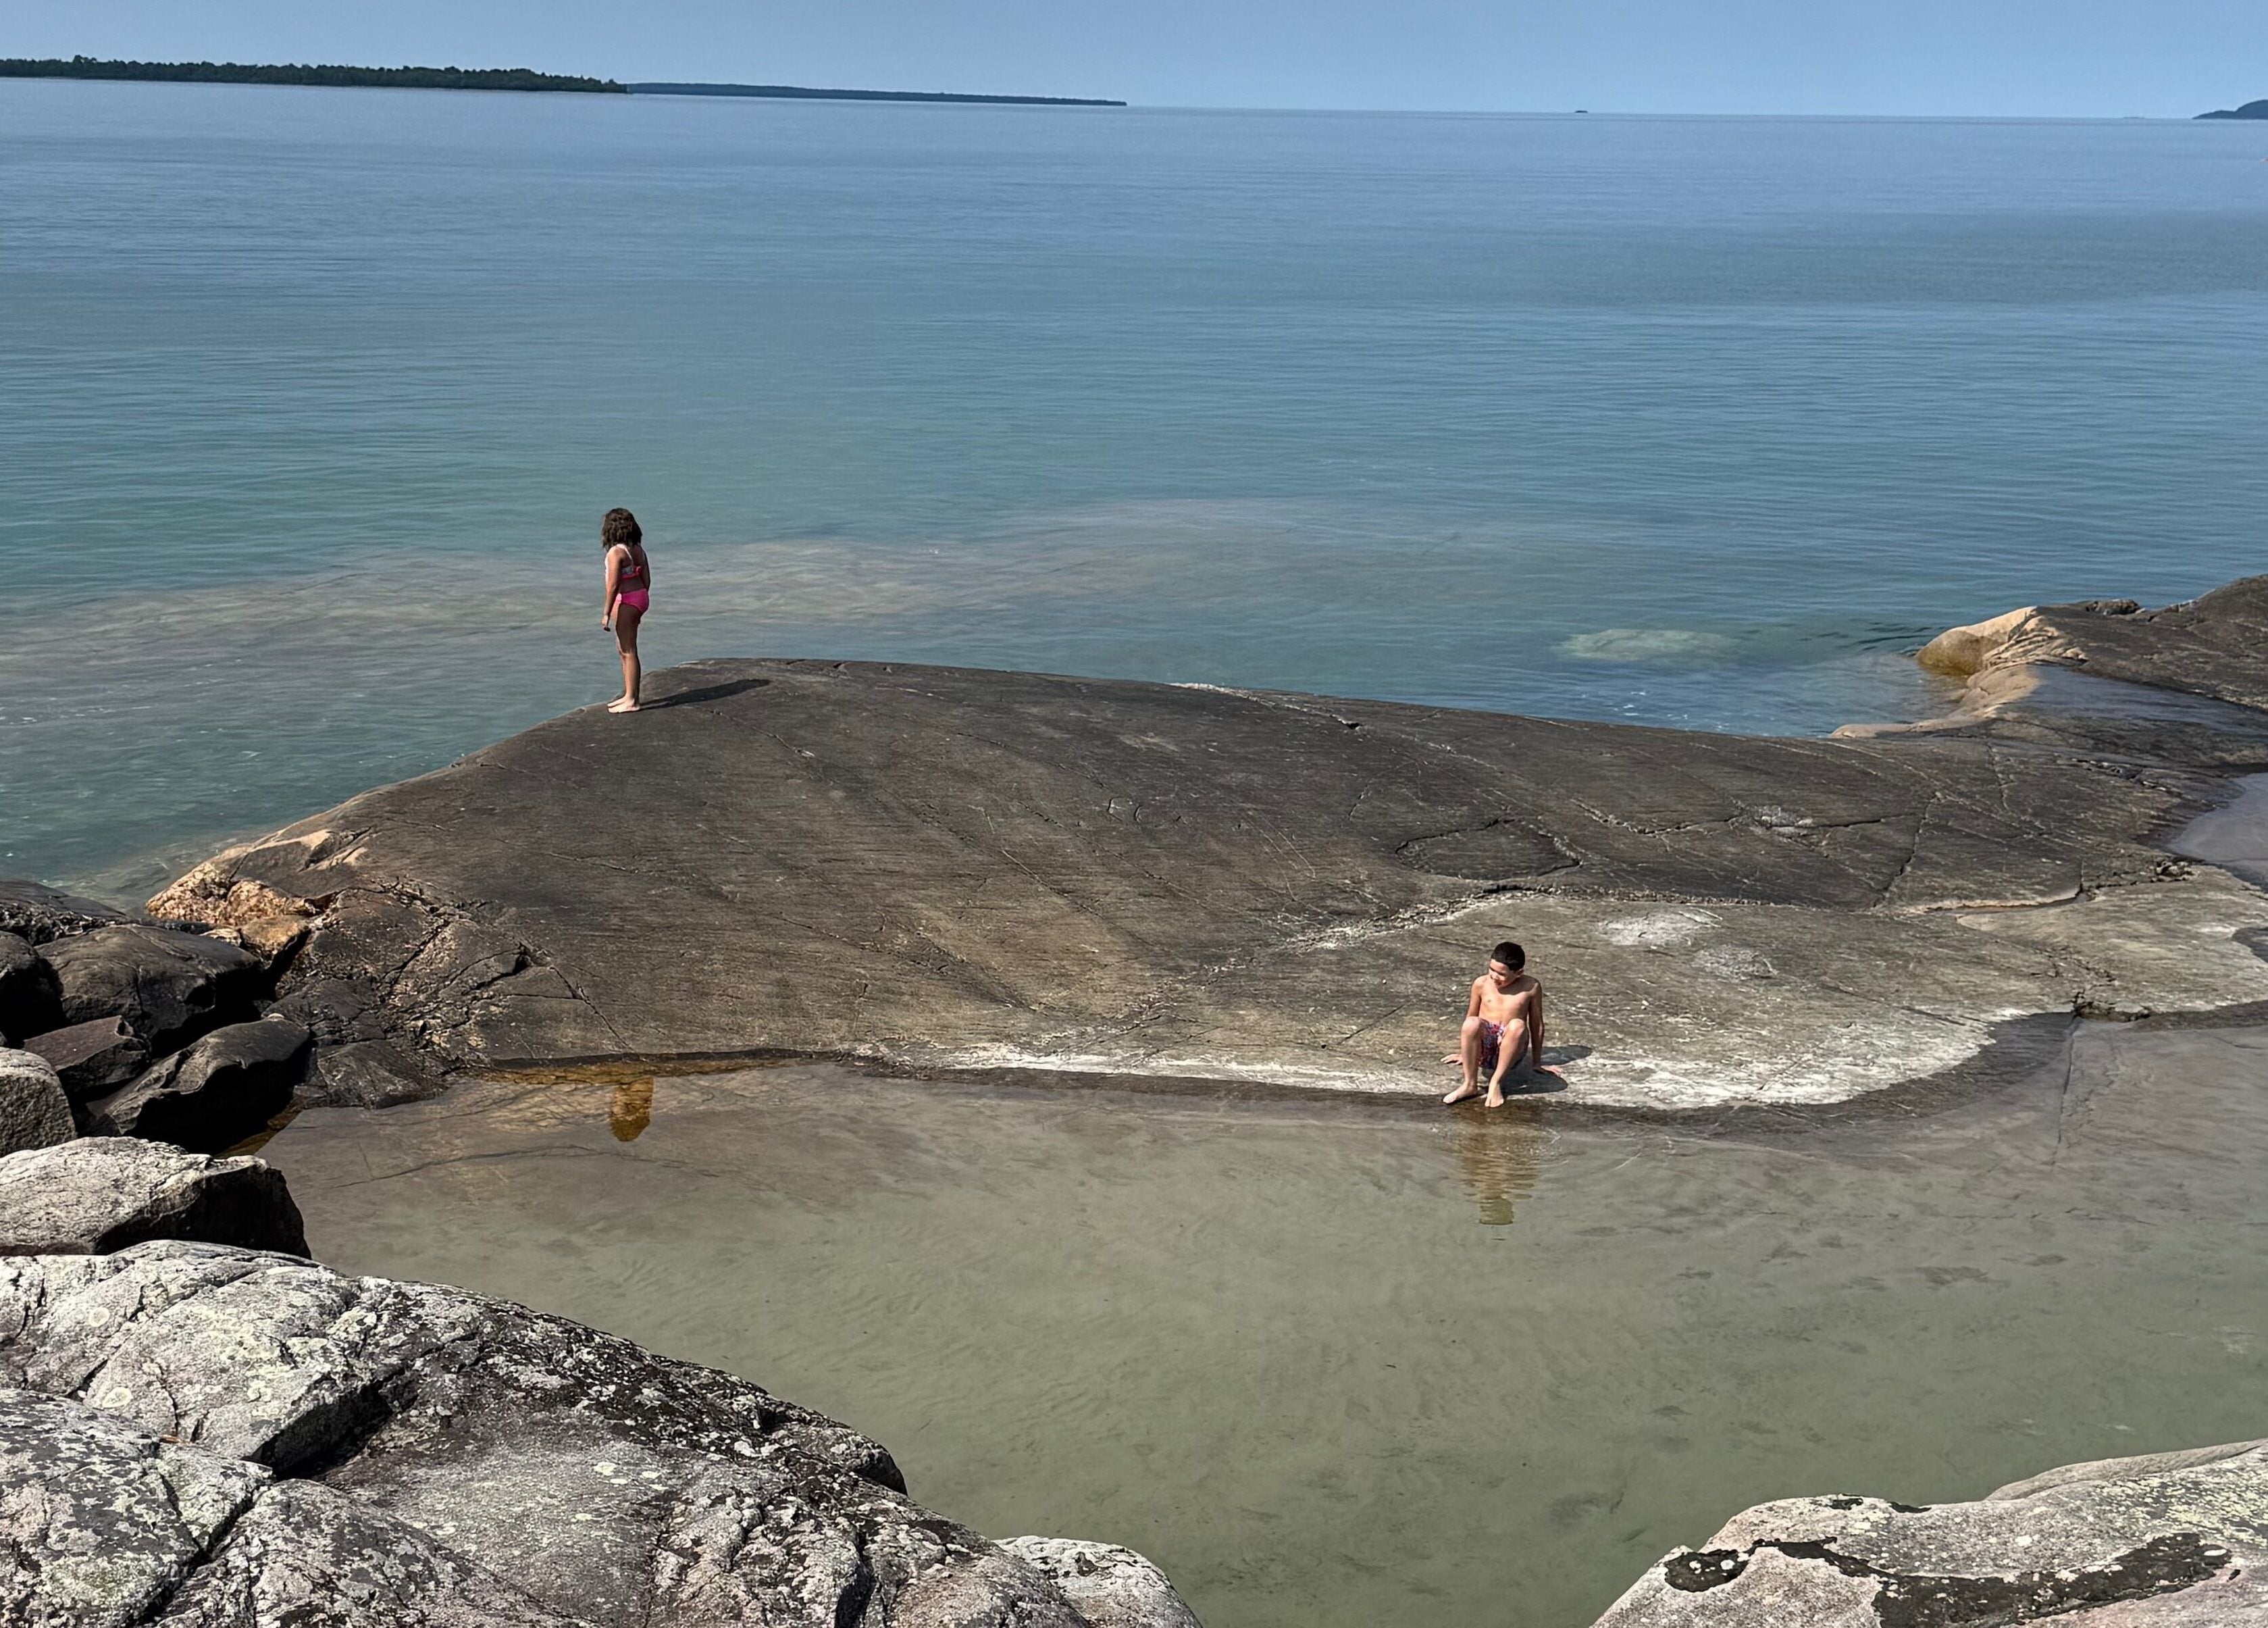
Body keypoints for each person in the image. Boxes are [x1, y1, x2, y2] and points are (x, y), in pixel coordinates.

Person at [1443, 940, 1561, 1107]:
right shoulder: (1481, 983)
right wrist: (1466, 1054)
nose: (1494, 977)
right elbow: (1471, 1017)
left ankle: (1496, 1082)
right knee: (1471, 1023)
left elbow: (1537, 1025)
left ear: (1519, 973)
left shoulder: (1531, 987)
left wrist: (1536, 1062)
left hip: (1512, 1050)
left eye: (1502, 974)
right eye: (1492, 970)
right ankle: (1470, 1085)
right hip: (1485, 1050)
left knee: (1518, 1026)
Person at [599, 507, 651, 713]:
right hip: (638, 597)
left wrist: (606, 612)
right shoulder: (638, 549)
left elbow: (612, 585)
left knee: (628, 650)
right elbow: (647, 579)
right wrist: (640, 600)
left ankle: (633, 699)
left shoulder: (616, 553)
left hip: (628, 601)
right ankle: (628, 693)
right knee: (622, 648)